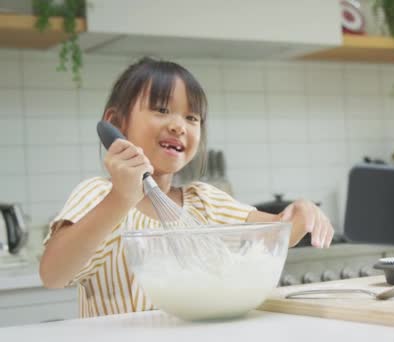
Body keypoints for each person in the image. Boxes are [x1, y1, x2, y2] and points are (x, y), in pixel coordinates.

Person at [39, 57, 335, 318]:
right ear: (116, 124)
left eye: (191, 117)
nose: (179, 125)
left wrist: (302, 212)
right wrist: (120, 198)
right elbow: (53, 275)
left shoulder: (204, 201)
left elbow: (279, 232)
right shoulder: (98, 195)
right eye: (161, 110)